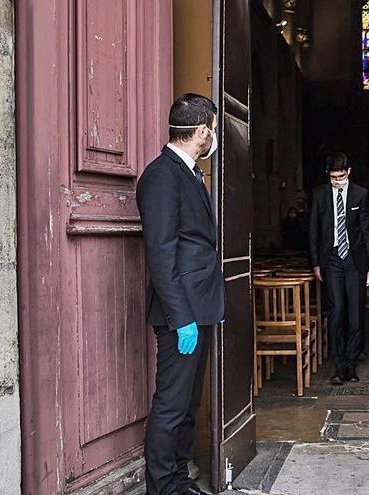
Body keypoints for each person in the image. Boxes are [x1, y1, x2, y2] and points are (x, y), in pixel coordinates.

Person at [136, 93, 224, 495]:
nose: (215, 136)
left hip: (199, 306)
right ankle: (162, 486)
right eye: (214, 128)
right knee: (171, 404)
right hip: (180, 312)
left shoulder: (189, 172)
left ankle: (179, 479)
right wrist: (181, 316)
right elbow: (161, 251)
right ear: (202, 131)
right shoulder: (161, 175)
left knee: (188, 402)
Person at [309, 152, 369, 385]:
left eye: (341, 176)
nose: (337, 181)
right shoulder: (319, 194)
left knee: (355, 313)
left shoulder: (360, 194)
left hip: (355, 260)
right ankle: (339, 366)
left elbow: (367, 231)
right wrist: (316, 262)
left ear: (349, 172)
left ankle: (351, 364)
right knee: (337, 311)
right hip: (332, 259)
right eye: (333, 177)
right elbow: (313, 231)